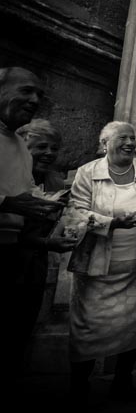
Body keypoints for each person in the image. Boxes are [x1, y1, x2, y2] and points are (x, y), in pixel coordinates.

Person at [66, 121, 136, 403]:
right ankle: (79, 386)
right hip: (97, 266)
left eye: (133, 138)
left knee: (132, 325)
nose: (130, 143)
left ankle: (123, 381)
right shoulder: (88, 172)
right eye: (123, 138)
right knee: (88, 328)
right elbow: (76, 211)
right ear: (105, 144)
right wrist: (112, 222)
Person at [0, 68, 64, 386]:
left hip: (15, 255)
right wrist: (10, 203)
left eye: (40, 94)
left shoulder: (18, 148)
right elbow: (16, 201)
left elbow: (27, 201)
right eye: (26, 91)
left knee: (14, 334)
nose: (35, 100)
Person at [12, 120, 76, 377]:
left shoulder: (54, 181)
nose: (49, 153)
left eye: (54, 148)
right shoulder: (11, 177)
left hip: (34, 264)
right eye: (41, 147)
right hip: (10, 258)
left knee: (23, 327)